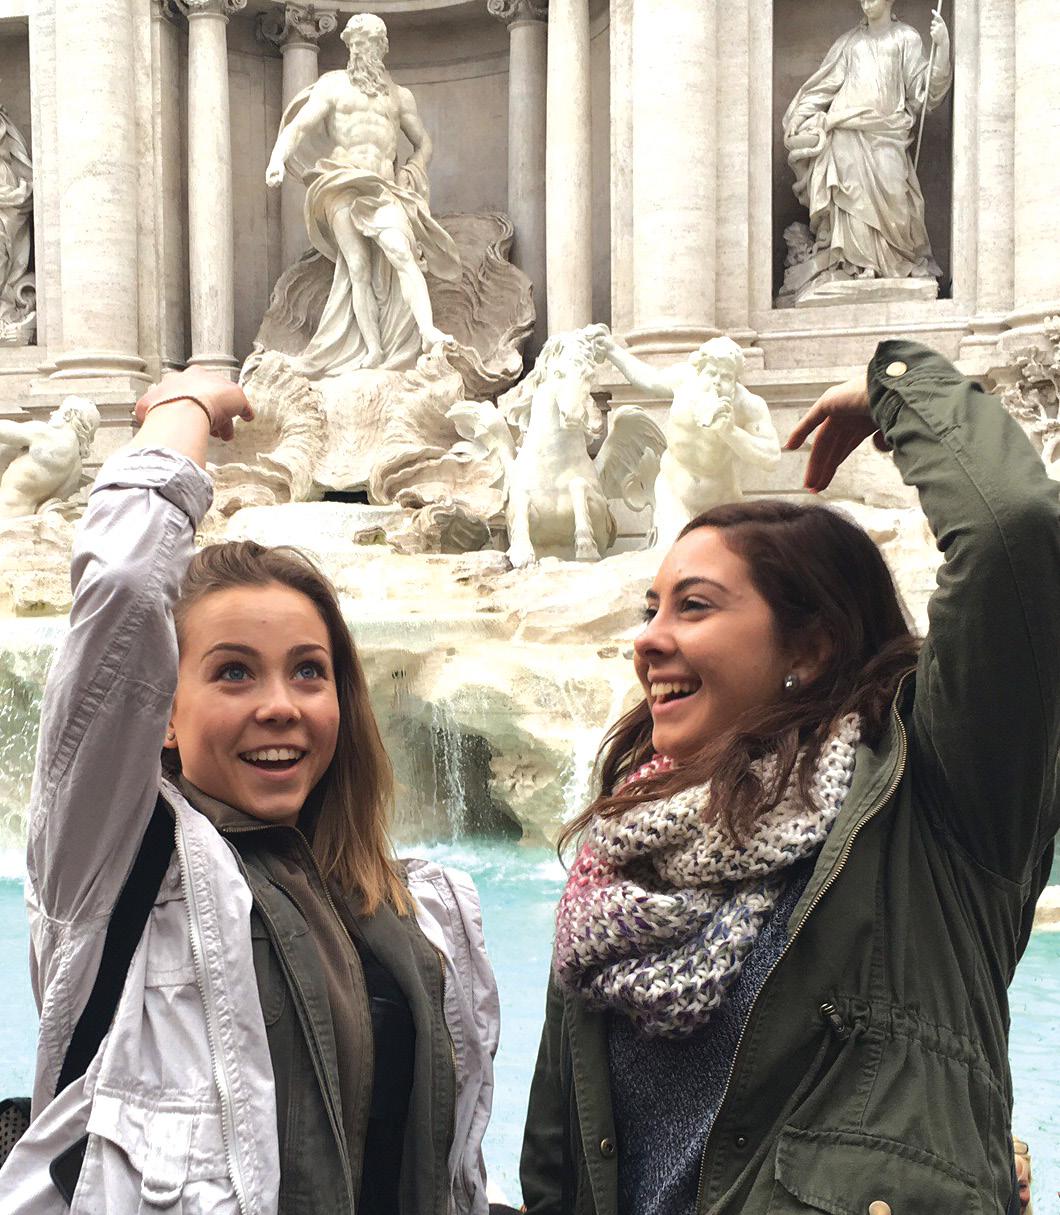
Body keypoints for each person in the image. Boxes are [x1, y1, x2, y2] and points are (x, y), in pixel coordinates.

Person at [520, 340, 1060, 1214]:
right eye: (651, 608)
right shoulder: (613, 870)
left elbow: (1015, 535)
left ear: (810, 645)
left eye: (694, 606)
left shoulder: (936, 803)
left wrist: (900, 391)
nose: (648, 638)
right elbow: (558, 1164)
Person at [0, 368, 499, 1213]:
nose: (281, 705)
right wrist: (183, 407)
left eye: (309, 671)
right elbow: (123, 590)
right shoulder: (112, 868)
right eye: (233, 671)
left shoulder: (421, 909)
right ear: (162, 711)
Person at [266, 13, 460, 377]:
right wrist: (277, 158)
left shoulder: (399, 96)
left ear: (382, 48)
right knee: (357, 266)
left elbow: (424, 142)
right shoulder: (333, 86)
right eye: (354, 43)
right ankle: (372, 350)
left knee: (401, 251)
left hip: (383, 188)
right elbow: (300, 126)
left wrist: (413, 169)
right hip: (341, 183)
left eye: (367, 43)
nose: (359, 50)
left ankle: (427, 331)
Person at [782, 0, 951, 286]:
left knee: (895, 195)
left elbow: (925, 93)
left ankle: (894, 261)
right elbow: (823, 88)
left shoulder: (905, 38)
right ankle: (854, 265)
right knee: (850, 197)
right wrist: (800, 116)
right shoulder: (849, 44)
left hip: (888, 133)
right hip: (845, 133)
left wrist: (942, 47)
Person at [0, 396, 100, 518]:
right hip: (25, 518)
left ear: (68, 415)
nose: (52, 413)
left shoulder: (47, 434)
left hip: (4, 512)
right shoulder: (76, 469)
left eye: (59, 410)